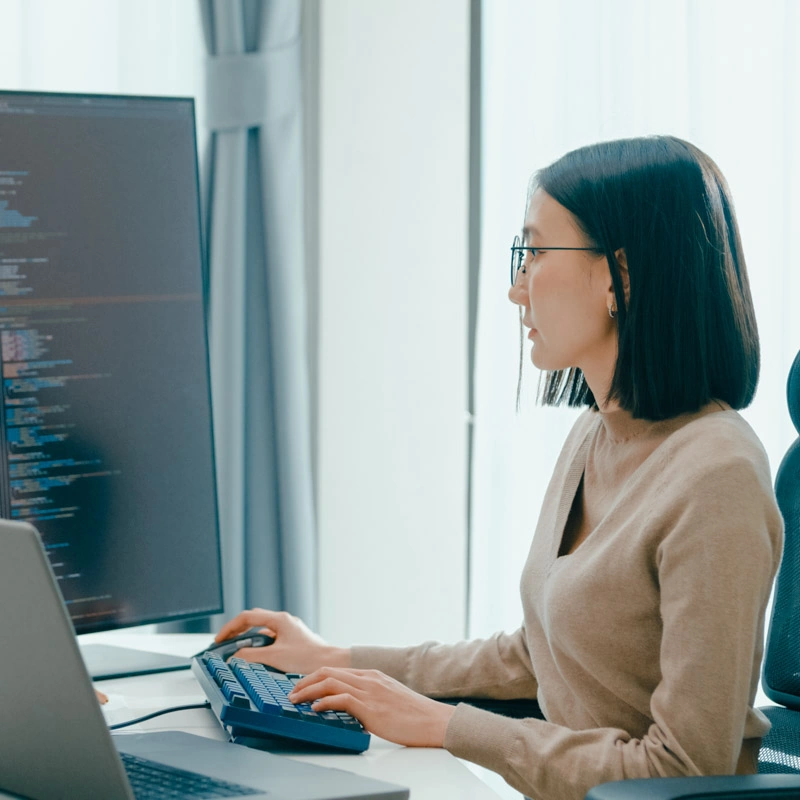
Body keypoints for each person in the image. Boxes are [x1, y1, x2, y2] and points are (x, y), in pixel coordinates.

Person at [216, 136, 784, 800]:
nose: (517, 290)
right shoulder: (594, 436)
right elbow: (533, 657)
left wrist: (445, 726)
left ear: (619, 278)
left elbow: (684, 769)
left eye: (537, 253)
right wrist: (337, 660)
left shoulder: (717, 478)